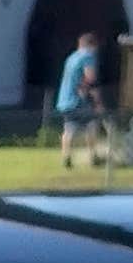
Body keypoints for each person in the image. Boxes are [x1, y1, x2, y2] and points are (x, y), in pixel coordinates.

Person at [51, 31, 115, 169]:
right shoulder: (88, 56)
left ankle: (66, 158)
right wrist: (97, 100)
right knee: (92, 125)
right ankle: (93, 157)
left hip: (65, 99)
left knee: (69, 129)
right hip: (79, 99)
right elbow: (90, 77)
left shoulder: (71, 57)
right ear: (92, 45)